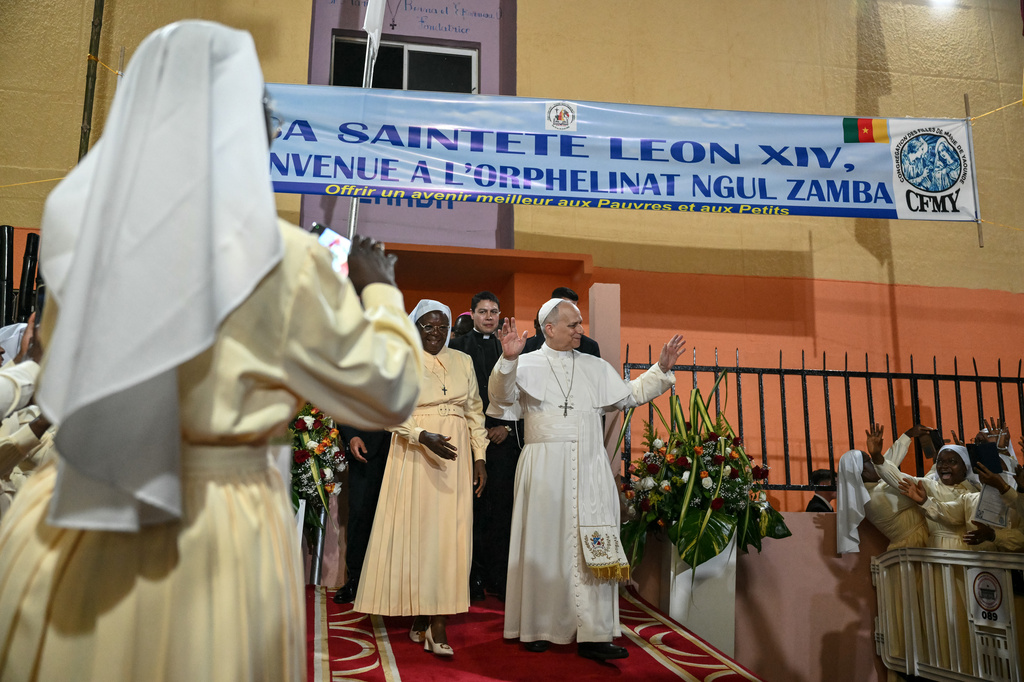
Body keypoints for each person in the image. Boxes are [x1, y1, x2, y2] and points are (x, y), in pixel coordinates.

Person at [0, 21, 422, 682]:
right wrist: (381, 292)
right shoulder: (283, 259)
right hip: (207, 528)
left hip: (73, 509)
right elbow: (388, 392)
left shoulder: (83, 239)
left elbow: (57, 374)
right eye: (264, 113)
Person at [488, 298, 685, 660]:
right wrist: (509, 359)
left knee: (591, 548)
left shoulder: (595, 366)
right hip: (544, 468)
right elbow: (500, 398)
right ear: (549, 329)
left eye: (580, 323)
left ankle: (595, 633)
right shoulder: (525, 364)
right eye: (573, 324)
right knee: (544, 545)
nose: (581, 330)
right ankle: (538, 625)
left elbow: (630, 395)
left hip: (590, 466)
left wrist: (661, 369)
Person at [355, 300, 489, 657]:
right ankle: (421, 610)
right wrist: (421, 435)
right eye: (428, 326)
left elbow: (474, 411)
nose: (436, 333)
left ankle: (438, 621)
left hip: (456, 456)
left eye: (442, 327)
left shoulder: (463, 360)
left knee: (450, 536)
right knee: (419, 534)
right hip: (414, 452)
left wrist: (480, 456)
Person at [449, 291, 521, 600]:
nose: (489, 316)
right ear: (472, 314)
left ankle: (499, 577)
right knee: (471, 510)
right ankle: (472, 577)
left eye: (494, 311)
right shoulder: (455, 348)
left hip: (503, 442)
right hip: (468, 440)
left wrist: (507, 428)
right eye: (483, 311)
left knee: (502, 511)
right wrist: (477, 429)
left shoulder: (513, 349)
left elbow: (520, 395)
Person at [332, 426, 391, 604]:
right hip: (366, 447)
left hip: (407, 447)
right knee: (360, 513)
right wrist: (352, 436)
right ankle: (356, 580)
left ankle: (393, 583)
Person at [523, 287, 601, 357]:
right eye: (567, 305)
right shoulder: (528, 346)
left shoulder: (589, 346)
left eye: (575, 306)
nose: (572, 310)